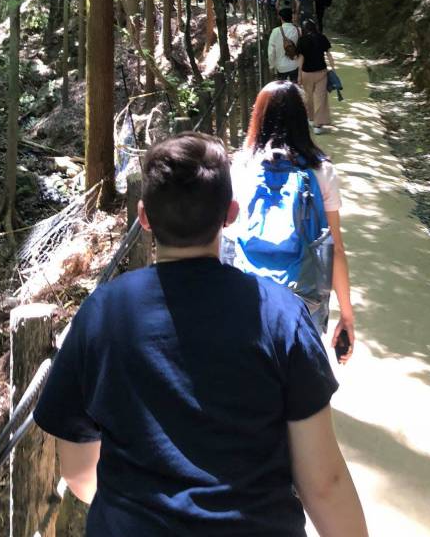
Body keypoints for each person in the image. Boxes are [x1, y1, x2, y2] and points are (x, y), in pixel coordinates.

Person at [33, 132, 369, 537]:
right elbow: (324, 482)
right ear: (230, 214)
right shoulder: (281, 315)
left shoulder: (103, 312)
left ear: (143, 217)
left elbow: (79, 470)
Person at [230, 81, 356, 362]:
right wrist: (346, 315)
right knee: (298, 383)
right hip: (301, 299)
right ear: (302, 118)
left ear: (258, 117)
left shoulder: (239, 168)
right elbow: (334, 247)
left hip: (247, 296)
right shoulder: (322, 171)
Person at [298, 19, 335, 134]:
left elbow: (301, 59)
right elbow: (328, 54)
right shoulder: (322, 38)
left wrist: (299, 74)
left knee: (308, 97)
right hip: (321, 72)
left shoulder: (302, 40)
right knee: (320, 97)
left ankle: (311, 118)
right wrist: (333, 68)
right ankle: (318, 126)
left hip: (306, 73)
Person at [268, 6, 300, 81]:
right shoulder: (298, 30)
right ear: (291, 17)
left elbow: (271, 51)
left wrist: (271, 66)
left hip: (281, 67)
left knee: (282, 90)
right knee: (294, 89)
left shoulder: (275, 31)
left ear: (281, 18)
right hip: (295, 65)